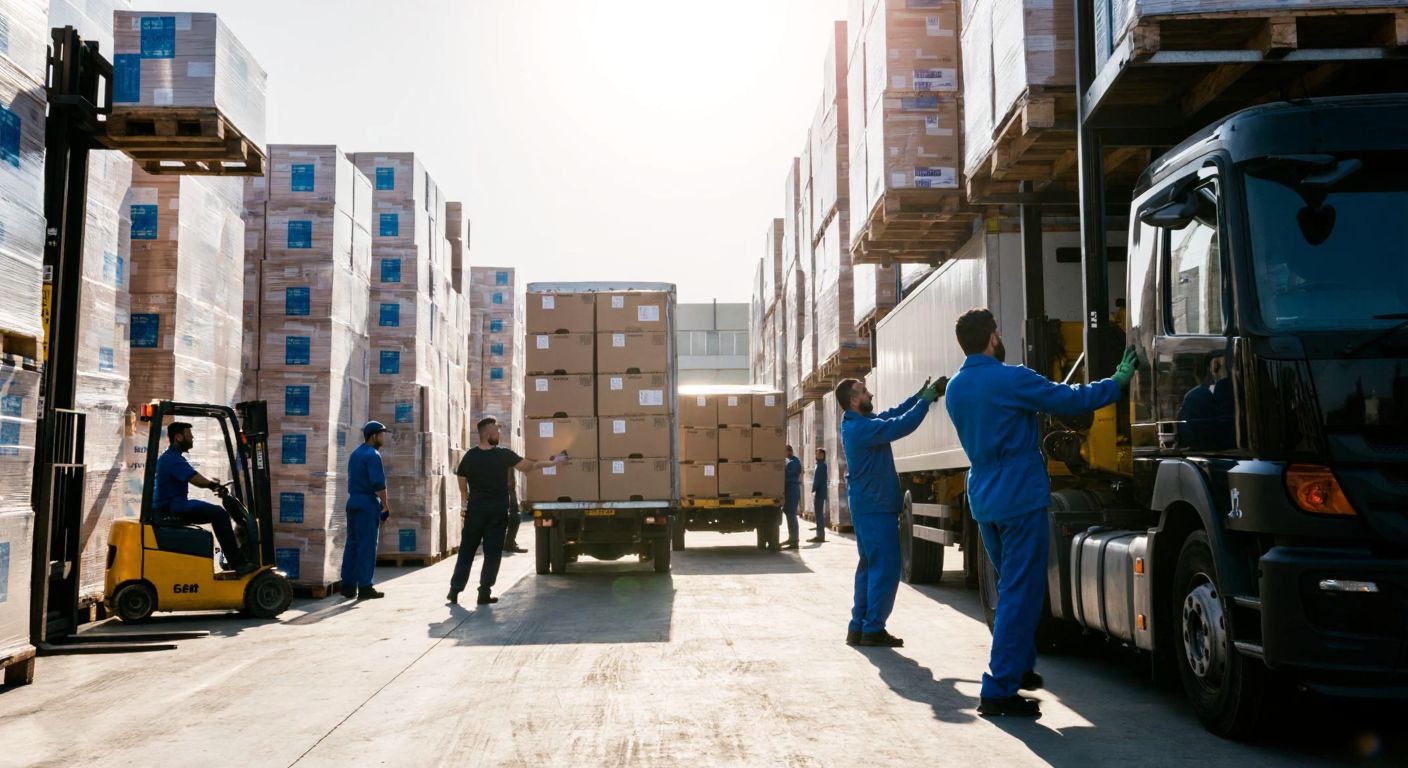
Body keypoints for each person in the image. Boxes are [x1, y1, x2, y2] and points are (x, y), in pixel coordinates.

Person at [944, 308, 1137, 718]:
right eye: (998, 331)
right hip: (1019, 496)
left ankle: (1017, 668)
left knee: (1011, 588)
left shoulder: (958, 387)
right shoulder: (1011, 378)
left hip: (984, 497)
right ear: (992, 338)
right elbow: (1069, 400)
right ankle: (998, 690)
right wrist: (1117, 382)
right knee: (1020, 592)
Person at [837, 376, 944, 648]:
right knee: (885, 569)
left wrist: (919, 395)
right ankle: (873, 628)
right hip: (876, 508)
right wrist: (924, 403)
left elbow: (892, 414)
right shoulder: (862, 430)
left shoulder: (859, 424)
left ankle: (858, 626)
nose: (869, 393)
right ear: (853, 400)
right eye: (864, 391)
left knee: (869, 567)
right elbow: (900, 425)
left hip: (868, 507)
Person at [448, 416, 568, 605]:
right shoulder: (503, 455)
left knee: (467, 551)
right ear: (488, 434)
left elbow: (461, 478)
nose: (499, 434)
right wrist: (554, 462)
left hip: (475, 511)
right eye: (497, 431)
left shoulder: (470, 456)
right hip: (496, 513)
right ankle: (484, 593)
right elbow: (529, 466)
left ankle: (455, 590)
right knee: (492, 553)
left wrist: (465, 498)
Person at [153, 421, 255, 575]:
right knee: (219, 514)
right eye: (189, 434)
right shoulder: (171, 459)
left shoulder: (172, 457)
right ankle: (237, 563)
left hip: (172, 505)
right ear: (178, 437)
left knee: (216, 512)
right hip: (172, 508)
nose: (193, 438)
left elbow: (194, 477)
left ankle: (233, 559)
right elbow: (195, 479)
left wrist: (211, 484)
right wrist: (212, 485)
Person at [341, 421, 391, 600]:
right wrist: (385, 505)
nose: (384, 437)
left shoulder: (355, 454)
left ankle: (347, 585)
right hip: (367, 504)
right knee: (367, 546)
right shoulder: (373, 454)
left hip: (353, 501)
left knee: (352, 544)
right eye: (382, 434)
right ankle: (365, 586)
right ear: (374, 436)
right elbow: (379, 484)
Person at [781, 445, 802, 550]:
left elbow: (786, 475)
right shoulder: (788, 461)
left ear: (789, 451)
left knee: (792, 515)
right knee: (788, 514)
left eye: (784, 451)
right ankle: (791, 538)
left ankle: (794, 541)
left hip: (792, 490)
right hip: (788, 490)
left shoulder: (794, 462)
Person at [502, 477, 527, 554]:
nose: (515, 482)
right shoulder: (507, 491)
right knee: (514, 519)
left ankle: (509, 543)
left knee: (515, 518)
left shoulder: (513, 490)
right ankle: (509, 544)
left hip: (513, 512)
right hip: (508, 512)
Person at [808, 448, 828, 543]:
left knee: (819, 514)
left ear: (823, 455)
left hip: (820, 492)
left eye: (819, 454)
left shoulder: (820, 466)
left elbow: (818, 480)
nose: (817, 455)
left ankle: (820, 535)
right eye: (816, 454)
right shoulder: (820, 465)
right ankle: (820, 534)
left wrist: (813, 488)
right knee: (819, 513)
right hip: (821, 492)